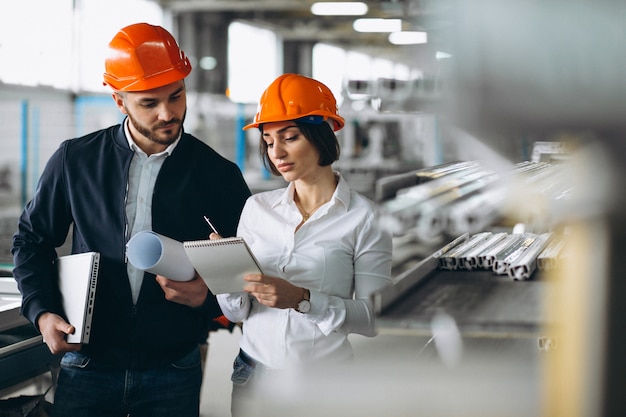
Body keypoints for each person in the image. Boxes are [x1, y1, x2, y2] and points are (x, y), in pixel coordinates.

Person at [11, 22, 251, 417]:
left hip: (174, 366)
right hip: (87, 363)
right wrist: (43, 312)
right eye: (149, 103)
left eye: (176, 96)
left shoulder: (217, 175)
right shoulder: (76, 161)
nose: (168, 113)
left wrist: (207, 297)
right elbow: (31, 240)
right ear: (120, 101)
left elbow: (245, 268)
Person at [216, 73, 393, 416]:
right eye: (268, 141)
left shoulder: (366, 218)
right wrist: (228, 270)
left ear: (321, 135)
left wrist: (302, 299)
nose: (276, 151)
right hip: (253, 374)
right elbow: (236, 312)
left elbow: (373, 318)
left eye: (290, 137)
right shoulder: (257, 209)